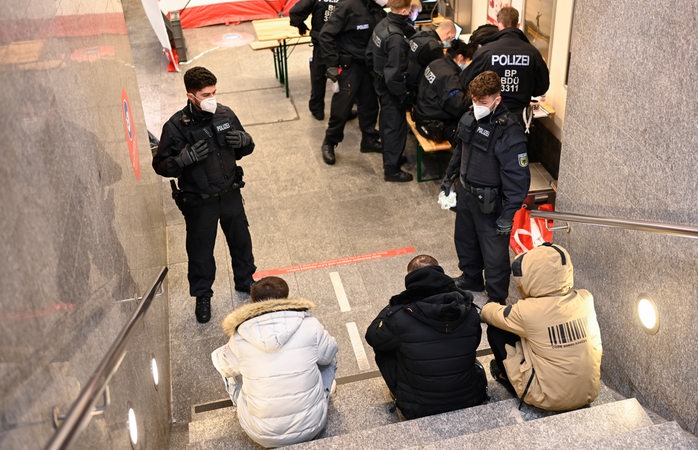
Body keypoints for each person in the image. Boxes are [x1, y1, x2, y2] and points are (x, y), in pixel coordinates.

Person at [153, 66, 256, 323]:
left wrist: (245, 141)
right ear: (191, 96)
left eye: (214, 92)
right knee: (200, 252)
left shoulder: (225, 113)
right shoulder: (176, 127)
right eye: (205, 94)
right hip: (200, 202)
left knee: (241, 241)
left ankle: (245, 281)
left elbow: (246, 147)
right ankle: (202, 296)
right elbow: (160, 165)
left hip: (230, 193)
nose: (212, 98)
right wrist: (182, 160)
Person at [211, 276, 339, 447]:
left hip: (261, 434)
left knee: (228, 366)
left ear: (253, 300)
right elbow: (330, 355)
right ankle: (326, 390)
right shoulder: (310, 326)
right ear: (285, 298)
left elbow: (223, 366)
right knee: (326, 355)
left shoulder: (239, 337)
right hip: (312, 425)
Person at [481, 244, 603, 411]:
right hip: (589, 392)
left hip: (546, 398)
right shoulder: (585, 298)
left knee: (497, 331)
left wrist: (489, 305)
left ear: (531, 277)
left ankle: (506, 377)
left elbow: (490, 314)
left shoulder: (527, 311)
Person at [364, 255, 488, 419]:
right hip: (470, 398)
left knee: (384, 347)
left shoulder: (400, 316)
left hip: (418, 408)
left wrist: (394, 305)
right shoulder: (468, 309)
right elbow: (475, 342)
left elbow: (372, 336)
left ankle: (400, 392)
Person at [443, 71, 530, 304]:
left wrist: (508, 215)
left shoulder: (509, 132)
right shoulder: (471, 116)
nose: (476, 105)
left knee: (494, 255)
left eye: (482, 102)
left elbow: (518, 179)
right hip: (466, 194)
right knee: (465, 241)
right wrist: (448, 178)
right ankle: (471, 278)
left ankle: (496, 297)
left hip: (491, 204)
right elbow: (460, 151)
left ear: (496, 100)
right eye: (474, 99)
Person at [317, 0, 386, 165]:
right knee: (342, 108)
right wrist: (332, 64)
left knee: (370, 104)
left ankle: (369, 139)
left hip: (368, 65)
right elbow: (325, 35)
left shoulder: (377, 8)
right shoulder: (348, 6)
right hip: (349, 66)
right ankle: (329, 141)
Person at [460, 7, 549, 124]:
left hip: (490, 116)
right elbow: (542, 87)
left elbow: (465, 81)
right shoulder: (532, 53)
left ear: (498, 24)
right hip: (519, 118)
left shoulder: (486, 52)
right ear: (518, 25)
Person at [366, 0, 417, 182]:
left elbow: (369, 54)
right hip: (391, 89)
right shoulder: (396, 39)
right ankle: (392, 170)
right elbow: (395, 74)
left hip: (379, 82)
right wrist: (402, 94)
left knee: (387, 122)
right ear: (404, 10)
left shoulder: (382, 24)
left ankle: (392, 157)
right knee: (394, 126)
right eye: (410, 9)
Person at [412, 38, 476, 145]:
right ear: (460, 57)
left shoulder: (436, 63)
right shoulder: (449, 76)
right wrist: (472, 94)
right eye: (468, 60)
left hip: (421, 114)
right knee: (471, 129)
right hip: (433, 126)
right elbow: (458, 107)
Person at [289, 0, 342, 121]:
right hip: (341, 42)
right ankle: (343, 110)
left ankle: (317, 109)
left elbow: (296, 11)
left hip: (321, 42)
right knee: (344, 77)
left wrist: (299, 24)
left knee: (318, 75)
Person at [405, 19, 457, 101]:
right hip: (418, 87)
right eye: (452, 38)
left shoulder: (420, 34)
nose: (450, 41)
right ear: (448, 33)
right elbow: (441, 72)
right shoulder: (435, 48)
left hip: (407, 77)